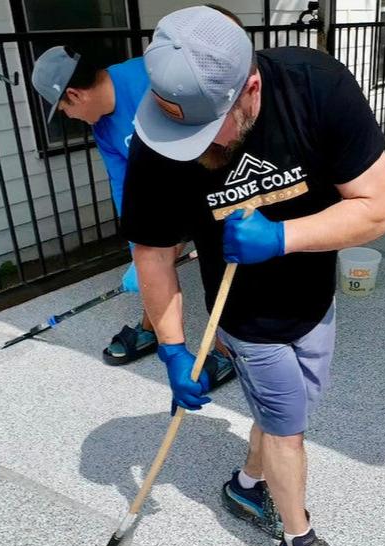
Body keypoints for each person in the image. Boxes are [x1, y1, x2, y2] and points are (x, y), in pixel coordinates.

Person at [120, 6, 385, 546]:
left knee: (296, 407)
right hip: (240, 315)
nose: (193, 149)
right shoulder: (160, 140)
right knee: (289, 426)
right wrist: (170, 348)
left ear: (250, 88)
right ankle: (300, 541)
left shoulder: (318, 89)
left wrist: (281, 238)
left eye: (208, 128)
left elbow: (374, 209)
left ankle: (247, 486)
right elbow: (155, 254)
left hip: (313, 299)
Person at [30, 44, 235, 386]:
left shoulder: (153, 78)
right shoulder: (103, 127)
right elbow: (125, 189)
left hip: (213, 179)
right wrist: (139, 255)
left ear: (75, 95)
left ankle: (227, 351)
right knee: (152, 262)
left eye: (62, 108)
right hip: (168, 196)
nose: (66, 116)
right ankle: (153, 328)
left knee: (219, 264)